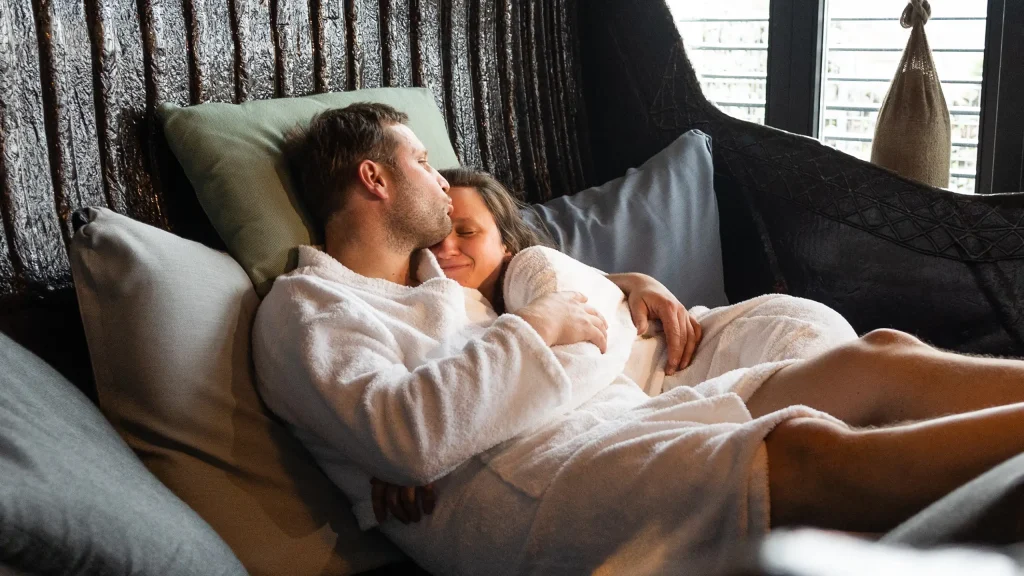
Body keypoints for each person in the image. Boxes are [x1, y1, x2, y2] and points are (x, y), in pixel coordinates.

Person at [253, 103, 1024, 575]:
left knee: (877, 356)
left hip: (609, 420)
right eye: (419, 159)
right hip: (527, 495)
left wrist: (584, 315)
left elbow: (566, 343)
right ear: (374, 180)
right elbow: (414, 432)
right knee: (805, 456)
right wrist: (523, 348)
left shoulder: (442, 283)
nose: (438, 173)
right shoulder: (309, 308)